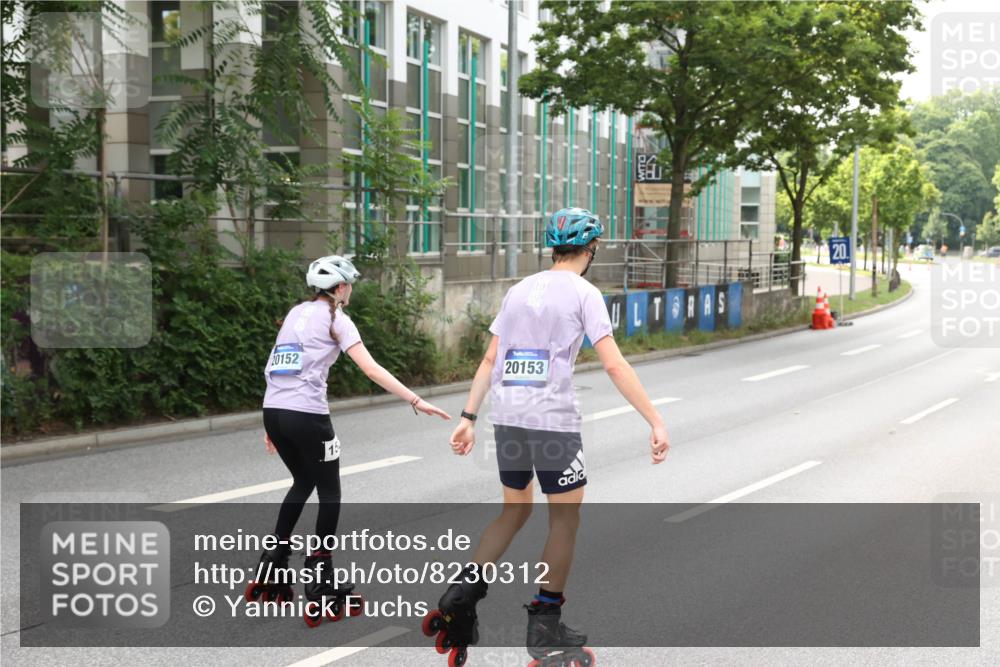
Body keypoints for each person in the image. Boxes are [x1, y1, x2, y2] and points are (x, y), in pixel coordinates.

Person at [422, 208, 670, 665]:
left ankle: (463, 594)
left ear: (553, 247)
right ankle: (545, 621)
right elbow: (614, 363)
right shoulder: (585, 292)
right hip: (552, 421)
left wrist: (468, 416)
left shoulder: (517, 291)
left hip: (508, 417)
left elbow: (488, 361)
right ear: (591, 249)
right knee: (564, 520)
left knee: (514, 511)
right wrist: (654, 419)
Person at [246, 255, 451, 626]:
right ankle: (319, 576)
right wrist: (416, 400)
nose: (350, 290)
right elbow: (371, 369)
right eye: (350, 284)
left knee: (302, 481)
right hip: (307, 416)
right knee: (330, 490)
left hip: (274, 410)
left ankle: (273, 562)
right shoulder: (337, 319)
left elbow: (276, 363)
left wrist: (271, 423)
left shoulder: (295, 314)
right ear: (340, 289)